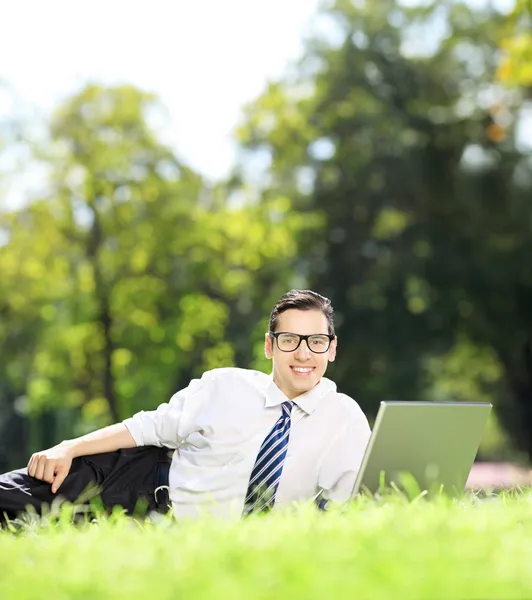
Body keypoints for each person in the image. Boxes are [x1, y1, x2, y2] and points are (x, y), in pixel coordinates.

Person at [0, 289, 371, 522]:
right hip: (140, 480)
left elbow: (351, 505)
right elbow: (147, 426)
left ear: (332, 348)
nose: (304, 352)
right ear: (269, 346)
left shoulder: (345, 419)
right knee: (16, 495)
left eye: (317, 341)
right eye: (290, 339)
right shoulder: (225, 384)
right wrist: (69, 447)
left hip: (175, 527)